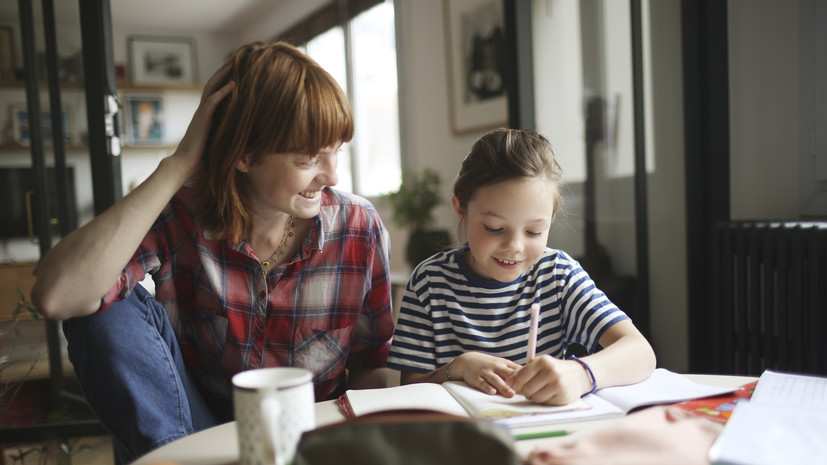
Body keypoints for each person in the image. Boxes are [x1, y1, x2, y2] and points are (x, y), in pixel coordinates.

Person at [30, 41, 394, 463]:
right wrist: (179, 163)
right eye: (309, 158)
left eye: (337, 151)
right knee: (100, 310)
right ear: (245, 154)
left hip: (307, 442)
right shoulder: (183, 213)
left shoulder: (359, 227)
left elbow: (371, 368)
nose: (332, 175)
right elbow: (57, 296)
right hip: (194, 434)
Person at [386, 128, 655, 406]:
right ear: (461, 210)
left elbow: (641, 353)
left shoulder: (558, 275)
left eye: (534, 231)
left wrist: (581, 374)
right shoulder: (429, 282)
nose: (514, 246)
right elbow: (410, 386)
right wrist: (457, 368)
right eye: (494, 228)